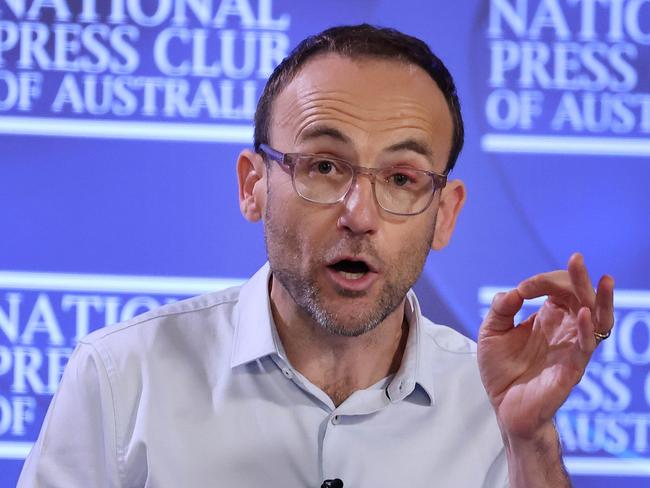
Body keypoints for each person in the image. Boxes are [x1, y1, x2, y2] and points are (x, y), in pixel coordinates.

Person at [18, 25, 614, 488]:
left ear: (447, 213)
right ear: (253, 185)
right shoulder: (124, 375)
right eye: (325, 166)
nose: (361, 214)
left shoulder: (493, 400)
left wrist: (531, 441)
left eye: (403, 178)